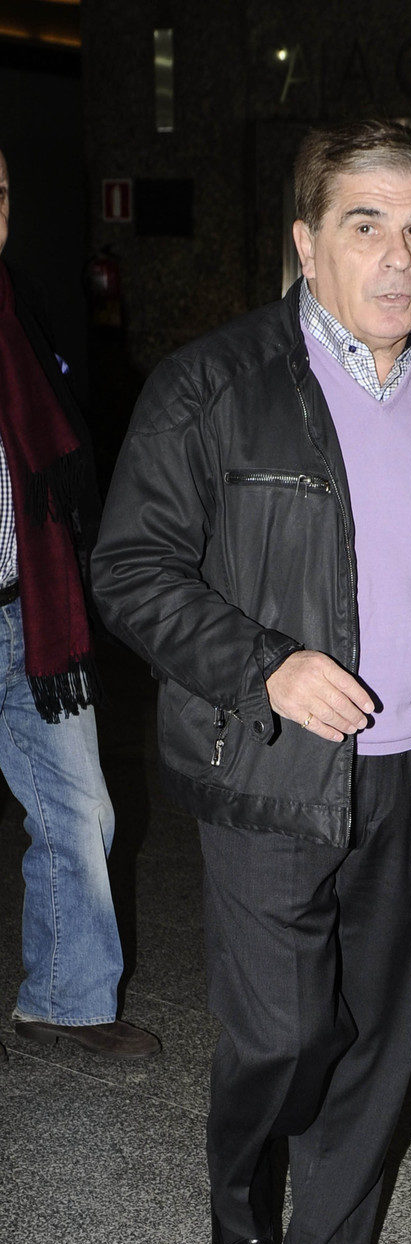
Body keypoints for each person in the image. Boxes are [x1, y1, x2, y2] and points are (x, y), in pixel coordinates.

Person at [93, 120, 411, 1244]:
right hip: (272, 763)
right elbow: (130, 569)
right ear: (304, 242)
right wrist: (266, 666)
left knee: (382, 1030)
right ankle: (240, 1210)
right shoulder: (211, 385)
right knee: (284, 1033)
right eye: (364, 225)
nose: (397, 258)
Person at [0, 146, 158, 1062]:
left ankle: (63, 1001)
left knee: (79, 808)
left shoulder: (14, 308)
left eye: (4, 192)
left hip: (31, 609)